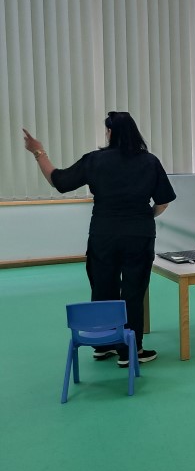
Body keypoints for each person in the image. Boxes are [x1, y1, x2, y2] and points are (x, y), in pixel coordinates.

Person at [22, 112, 176, 365]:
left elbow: (59, 181)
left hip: (103, 234)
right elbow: (163, 202)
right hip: (139, 234)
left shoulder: (95, 160)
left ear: (110, 133)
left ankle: (103, 344)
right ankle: (130, 351)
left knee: (103, 287)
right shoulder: (150, 162)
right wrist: (144, 216)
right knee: (133, 292)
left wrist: (39, 152)